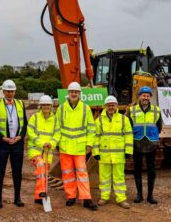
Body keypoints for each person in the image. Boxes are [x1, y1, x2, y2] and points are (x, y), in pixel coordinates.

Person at [56, 81, 97, 211]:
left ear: (79, 93)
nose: (74, 94)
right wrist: (57, 143)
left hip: (80, 148)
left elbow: (91, 128)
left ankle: (86, 198)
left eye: (76, 92)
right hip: (65, 147)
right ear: (68, 93)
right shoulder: (61, 108)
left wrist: (89, 144)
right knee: (67, 174)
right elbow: (56, 127)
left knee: (82, 174)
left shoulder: (85, 108)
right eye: (72, 91)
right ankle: (71, 196)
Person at [92, 95, 133, 209]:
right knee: (104, 177)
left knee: (119, 177)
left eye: (113, 105)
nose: (111, 107)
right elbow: (96, 137)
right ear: (105, 106)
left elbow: (128, 135)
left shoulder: (123, 119)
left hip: (119, 155)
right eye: (109, 105)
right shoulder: (99, 120)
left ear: (116, 106)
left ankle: (121, 199)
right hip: (104, 155)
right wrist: (96, 152)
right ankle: (104, 197)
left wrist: (128, 151)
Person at [0, 79, 28, 208]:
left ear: (15, 92)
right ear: (3, 91)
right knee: (0, 171)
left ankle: (17, 197)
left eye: (12, 91)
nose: (10, 94)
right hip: (3, 143)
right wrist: (2, 138)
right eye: (7, 91)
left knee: (17, 171)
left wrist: (20, 136)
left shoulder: (20, 104)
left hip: (17, 143)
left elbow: (25, 124)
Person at [125, 86, 162, 204]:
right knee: (137, 169)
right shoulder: (132, 110)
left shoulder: (156, 110)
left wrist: (154, 137)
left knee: (151, 169)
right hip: (137, 142)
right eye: (143, 95)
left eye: (147, 95)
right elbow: (127, 126)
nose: (145, 97)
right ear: (139, 96)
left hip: (151, 143)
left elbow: (159, 126)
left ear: (150, 97)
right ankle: (139, 195)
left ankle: (150, 196)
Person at [27, 95, 60, 204]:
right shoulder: (35, 117)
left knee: (43, 173)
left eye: (48, 105)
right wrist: (42, 143)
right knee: (41, 165)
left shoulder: (55, 120)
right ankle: (42, 191)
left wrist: (51, 143)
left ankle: (38, 197)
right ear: (41, 106)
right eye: (44, 105)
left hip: (48, 151)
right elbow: (30, 133)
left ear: (51, 106)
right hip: (35, 150)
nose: (46, 107)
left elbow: (57, 134)